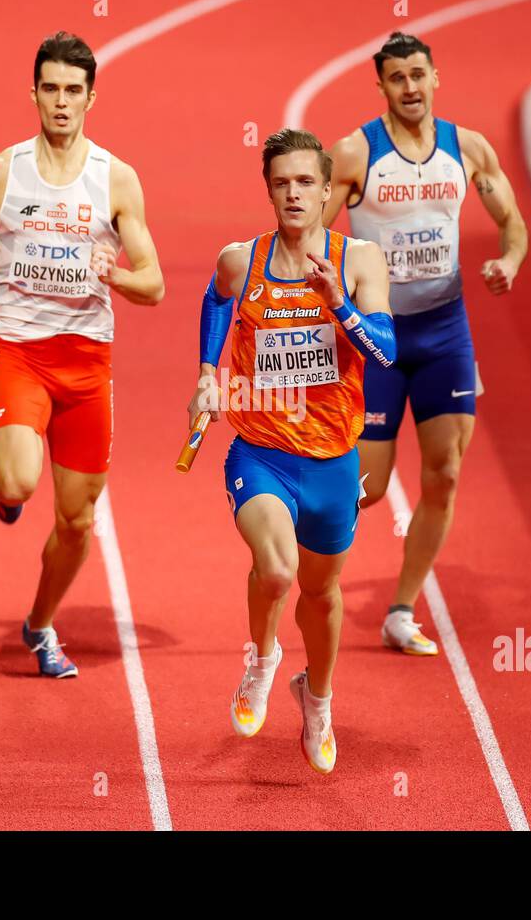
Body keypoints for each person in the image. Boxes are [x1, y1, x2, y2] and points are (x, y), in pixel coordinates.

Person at [0, 31, 163, 679]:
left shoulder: (117, 180)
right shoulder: (2, 171)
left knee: (77, 522)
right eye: (51, 89)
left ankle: (40, 624)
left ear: (92, 97)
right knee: (19, 482)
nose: (62, 103)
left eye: (75, 91)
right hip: (19, 353)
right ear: (34, 94)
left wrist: (117, 275)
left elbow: (153, 283)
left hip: (87, 367)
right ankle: (1, 481)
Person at [189, 128, 395, 773]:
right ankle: (262, 658)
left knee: (322, 592)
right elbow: (216, 301)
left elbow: (387, 352)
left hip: (334, 462)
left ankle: (318, 697)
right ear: (269, 191)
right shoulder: (240, 260)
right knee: (276, 571)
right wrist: (206, 372)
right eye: (282, 183)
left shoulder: (360, 260)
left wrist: (341, 306)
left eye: (306, 182)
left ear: (328, 191)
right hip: (260, 453)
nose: (294, 193)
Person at [323, 31, 527, 657]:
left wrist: (510, 262)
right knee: (370, 488)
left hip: (445, 331)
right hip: (378, 337)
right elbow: (306, 232)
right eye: (396, 79)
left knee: (444, 474)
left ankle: (401, 609)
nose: (410, 88)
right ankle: (316, 574)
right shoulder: (356, 154)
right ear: (381, 86)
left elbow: (511, 224)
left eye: (418, 75)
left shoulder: (468, 150)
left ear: (436, 77)